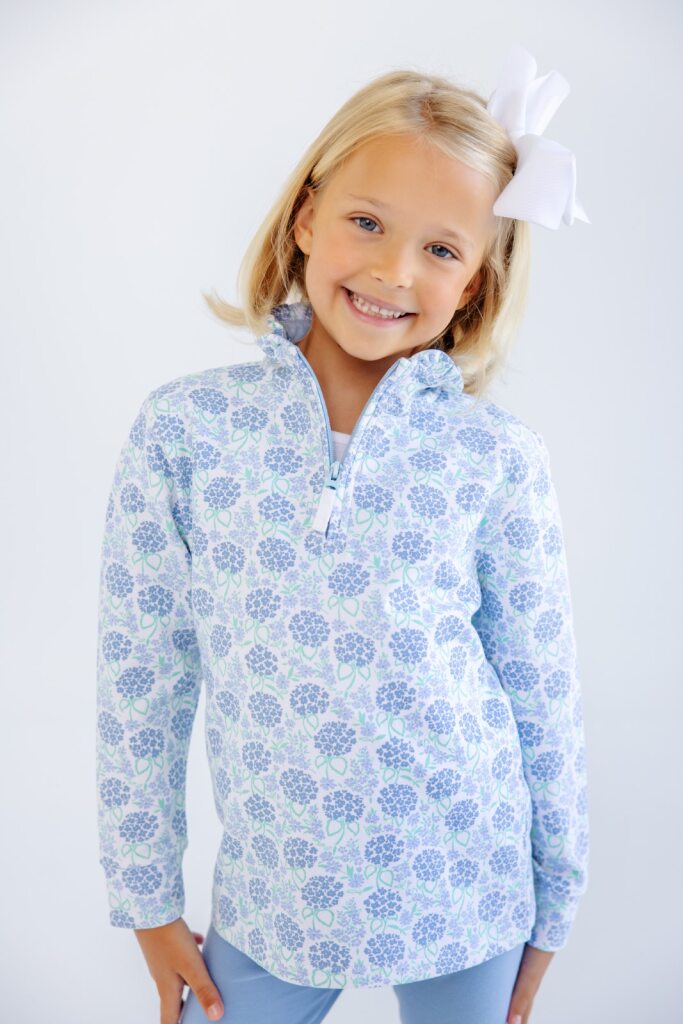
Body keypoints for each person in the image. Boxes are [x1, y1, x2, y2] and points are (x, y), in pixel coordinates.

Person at [95, 43, 590, 1024]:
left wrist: (554, 902)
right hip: (274, 901)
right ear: (305, 217)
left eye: (441, 249)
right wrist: (145, 898)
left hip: (467, 893)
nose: (392, 270)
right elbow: (139, 679)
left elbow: (542, 694)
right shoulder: (185, 432)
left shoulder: (495, 457)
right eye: (367, 221)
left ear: (474, 283)